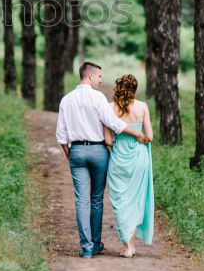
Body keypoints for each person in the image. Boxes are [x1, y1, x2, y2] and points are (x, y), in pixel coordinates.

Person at [56, 62, 140, 258]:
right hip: (99, 151)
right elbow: (112, 123)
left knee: (81, 200)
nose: (101, 80)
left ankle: (86, 247)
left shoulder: (67, 99)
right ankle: (95, 244)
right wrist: (134, 132)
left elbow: (61, 135)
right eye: (100, 76)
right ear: (91, 75)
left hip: (76, 150)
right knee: (96, 199)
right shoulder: (97, 97)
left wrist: (70, 154)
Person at [104, 74, 154, 258]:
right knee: (135, 201)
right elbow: (149, 136)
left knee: (121, 202)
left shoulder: (109, 108)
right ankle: (130, 245)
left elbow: (108, 140)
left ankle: (127, 246)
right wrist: (137, 134)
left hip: (118, 155)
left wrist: (118, 142)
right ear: (135, 89)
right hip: (138, 156)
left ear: (119, 87)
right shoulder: (142, 107)